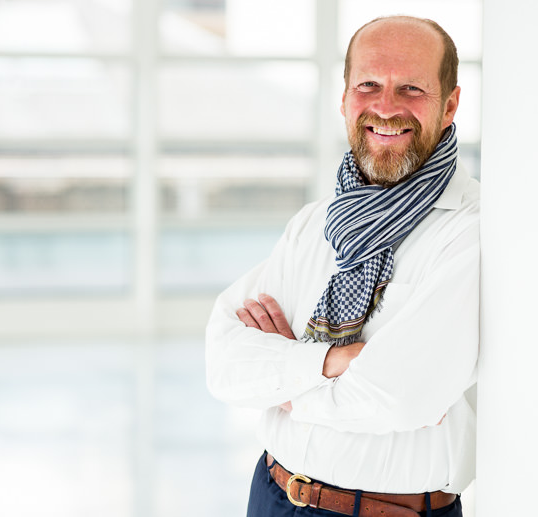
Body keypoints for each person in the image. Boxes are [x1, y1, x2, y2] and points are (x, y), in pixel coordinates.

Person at [206, 15, 478, 517]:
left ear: (450, 106)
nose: (386, 107)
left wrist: (285, 384)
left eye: (412, 88)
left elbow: (396, 396)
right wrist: (329, 363)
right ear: (345, 99)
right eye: (368, 85)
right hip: (271, 494)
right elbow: (223, 363)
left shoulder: (469, 232)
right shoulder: (315, 223)